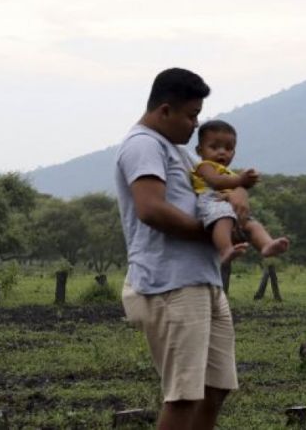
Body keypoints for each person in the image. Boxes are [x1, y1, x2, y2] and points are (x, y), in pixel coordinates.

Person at [114, 68, 242, 430]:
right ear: (165, 110)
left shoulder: (179, 153)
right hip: (172, 283)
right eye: (191, 115)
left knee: (216, 387)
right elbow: (151, 209)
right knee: (185, 394)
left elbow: (216, 191)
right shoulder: (143, 145)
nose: (195, 124)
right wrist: (209, 235)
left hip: (203, 280)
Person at [191, 120, 290, 263]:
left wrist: (248, 181)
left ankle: (266, 244)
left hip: (230, 204)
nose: (222, 152)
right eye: (214, 147)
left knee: (252, 225)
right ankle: (225, 249)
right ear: (200, 150)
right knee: (223, 218)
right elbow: (216, 182)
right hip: (213, 200)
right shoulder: (204, 166)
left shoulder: (229, 172)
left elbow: (235, 185)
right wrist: (241, 180)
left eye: (228, 148)